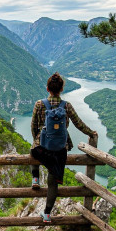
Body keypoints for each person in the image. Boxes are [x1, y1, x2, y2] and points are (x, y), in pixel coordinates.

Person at [30, 72, 97, 222]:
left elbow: (33, 126)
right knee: (53, 183)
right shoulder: (66, 106)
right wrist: (91, 133)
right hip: (59, 150)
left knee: (33, 152)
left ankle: (35, 179)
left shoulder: (39, 104)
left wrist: (37, 139)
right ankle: (47, 214)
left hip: (42, 147)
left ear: (47, 89)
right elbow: (78, 123)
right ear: (61, 89)